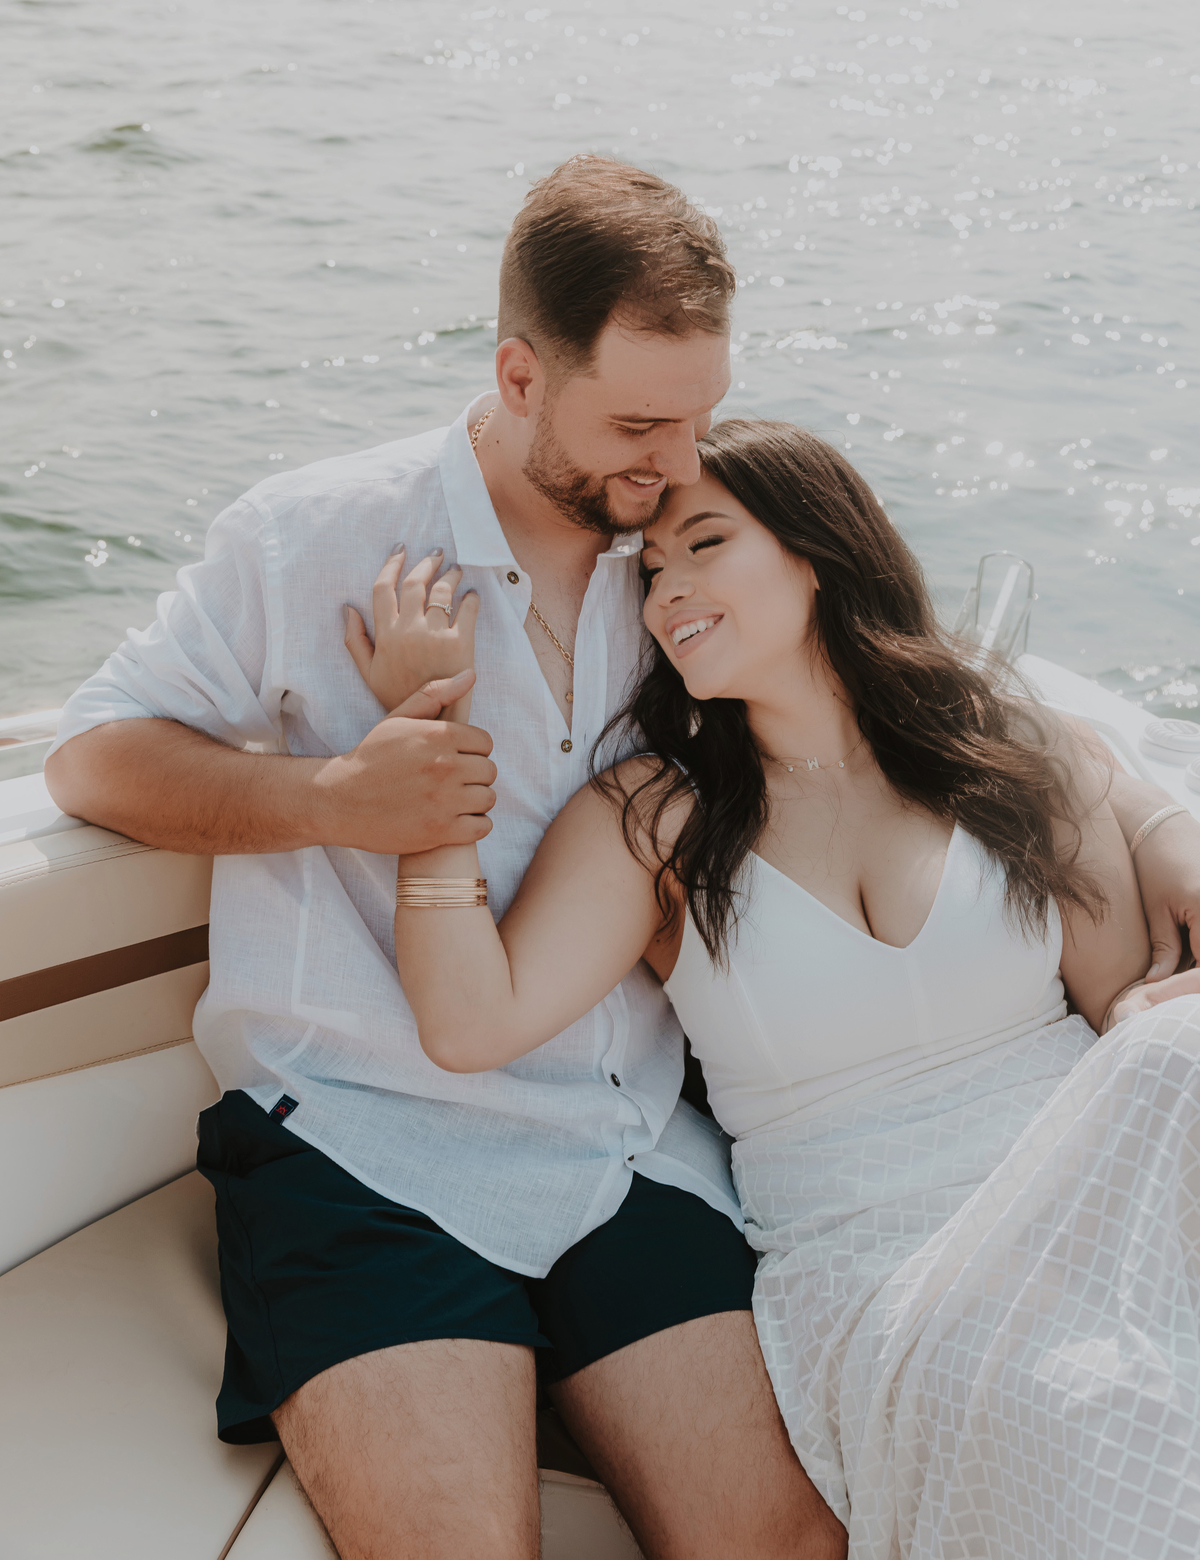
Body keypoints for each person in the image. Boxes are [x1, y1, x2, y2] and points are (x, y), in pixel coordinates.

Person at [44, 158, 847, 1560]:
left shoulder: (693, 554)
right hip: (362, 1139)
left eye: (700, 419)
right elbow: (95, 756)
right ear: (520, 376)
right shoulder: (313, 535)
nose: (673, 467)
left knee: (784, 1546)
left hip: (627, 1140)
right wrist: (334, 799)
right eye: (639, 423)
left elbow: (874, 703)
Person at [355, 416, 1200, 1560]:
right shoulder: (656, 820)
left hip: (1091, 1200)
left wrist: (1161, 847)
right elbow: (469, 1021)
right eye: (652, 573)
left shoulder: (1004, 744)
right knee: (1084, 1403)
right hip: (876, 1265)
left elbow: (1123, 1015)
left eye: (706, 545)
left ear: (816, 551)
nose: (669, 593)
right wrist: (427, 736)